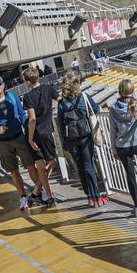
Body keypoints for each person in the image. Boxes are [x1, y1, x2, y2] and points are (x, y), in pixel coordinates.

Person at [0, 74, 37, 212]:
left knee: (30, 166)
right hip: (3, 142)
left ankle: (38, 192)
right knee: (14, 171)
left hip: (19, 137)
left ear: (3, 85)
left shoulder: (12, 97)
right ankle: (23, 196)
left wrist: (27, 129)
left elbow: (22, 114)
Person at [57, 71, 103, 206]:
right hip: (85, 135)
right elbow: (96, 109)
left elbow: (60, 125)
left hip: (70, 138)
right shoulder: (84, 96)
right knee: (89, 165)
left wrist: (63, 142)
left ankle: (89, 196)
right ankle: (96, 196)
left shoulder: (61, 103)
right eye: (78, 81)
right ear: (75, 84)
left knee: (80, 168)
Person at [109, 79, 137, 217]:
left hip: (122, 146)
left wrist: (114, 150)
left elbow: (112, 131)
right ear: (133, 91)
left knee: (130, 176)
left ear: (119, 92)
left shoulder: (113, 108)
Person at [20, 67, 59, 207]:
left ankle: (40, 193)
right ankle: (42, 194)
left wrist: (30, 139)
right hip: (47, 132)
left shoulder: (28, 97)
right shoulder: (49, 89)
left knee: (40, 166)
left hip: (34, 135)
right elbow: (61, 100)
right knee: (52, 161)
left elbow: (31, 119)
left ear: (28, 82)